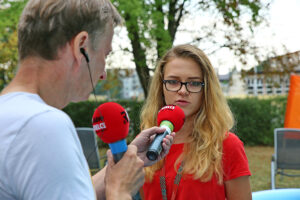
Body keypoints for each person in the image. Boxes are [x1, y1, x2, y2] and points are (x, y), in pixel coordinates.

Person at [0, 0, 175, 199]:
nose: (103, 74)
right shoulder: (42, 125)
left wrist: (121, 166)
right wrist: (120, 191)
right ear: (81, 46)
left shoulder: (11, 115)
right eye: (105, 54)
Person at [139, 44, 252, 200]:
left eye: (194, 83)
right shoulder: (148, 142)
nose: (183, 91)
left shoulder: (226, 145)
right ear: (161, 87)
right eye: (173, 82)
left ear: (206, 90)